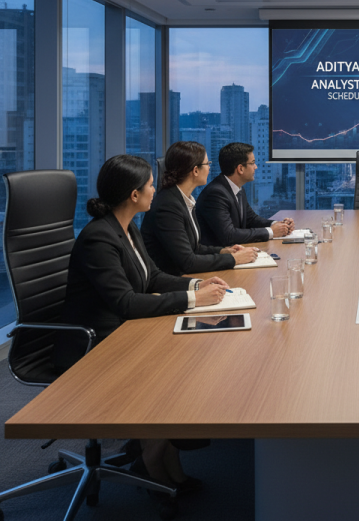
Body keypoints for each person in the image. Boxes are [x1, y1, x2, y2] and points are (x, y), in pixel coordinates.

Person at [55, 154, 230, 510]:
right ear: (134, 194)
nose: (155, 188)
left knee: (193, 356)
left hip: (123, 331)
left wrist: (196, 284)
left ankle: (160, 451)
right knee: (177, 368)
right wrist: (192, 300)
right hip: (94, 343)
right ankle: (152, 454)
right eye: (150, 184)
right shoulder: (98, 239)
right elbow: (126, 303)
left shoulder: (127, 226)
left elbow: (150, 278)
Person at [141, 141, 258, 276]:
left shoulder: (184, 199)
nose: (209, 168)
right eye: (207, 164)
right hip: (171, 283)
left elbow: (195, 247)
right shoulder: (168, 206)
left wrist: (224, 251)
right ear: (195, 170)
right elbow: (187, 262)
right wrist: (233, 259)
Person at [195, 142, 294, 246]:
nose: (255, 167)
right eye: (252, 163)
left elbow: (251, 219)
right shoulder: (216, 193)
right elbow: (229, 235)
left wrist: (278, 225)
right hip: (220, 256)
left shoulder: (238, 188)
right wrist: (271, 232)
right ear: (240, 169)